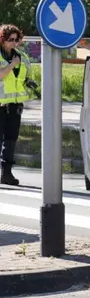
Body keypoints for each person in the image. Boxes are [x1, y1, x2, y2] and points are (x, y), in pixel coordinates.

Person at [0, 24, 33, 186]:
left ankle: (6, 173)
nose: (13, 42)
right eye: (10, 40)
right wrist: (12, 64)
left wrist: (29, 82)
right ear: (2, 40)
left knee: (11, 140)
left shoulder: (22, 57)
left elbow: (25, 75)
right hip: (0, 106)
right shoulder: (7, 58)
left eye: (16, 39)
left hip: (15, 106)